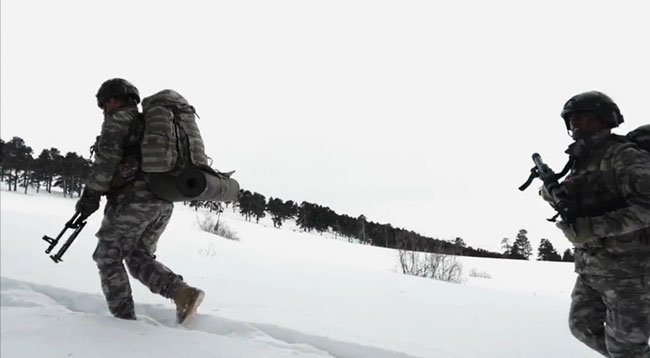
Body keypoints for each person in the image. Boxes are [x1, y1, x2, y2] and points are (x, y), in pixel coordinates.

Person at [75, 78, 204, 324]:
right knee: (137, 256)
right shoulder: (150, 125)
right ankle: (182, 293)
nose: (105, 111)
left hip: (133, 202)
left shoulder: (120, 120)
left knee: (108, 257)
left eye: (104, 106)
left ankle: (124, 324)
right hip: (163, 201)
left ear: (113, 100)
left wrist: (90, 196)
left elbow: (105, 162)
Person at [541, 91, 650, 357]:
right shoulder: (583, 159)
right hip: (592, 269)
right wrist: (550, 192)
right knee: (582, 327)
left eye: (583, 116)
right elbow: (576, 201)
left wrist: (594, 227)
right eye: (571, 118)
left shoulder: (625, 156)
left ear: (604, 118)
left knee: (626, 349)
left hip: (630, 274)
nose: (575, 122)